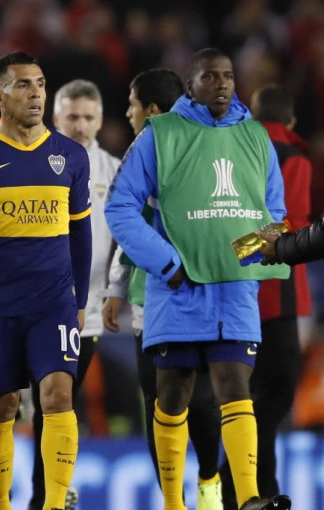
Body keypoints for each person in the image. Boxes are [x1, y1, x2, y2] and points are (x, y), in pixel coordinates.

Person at [104, 48, 292, 510]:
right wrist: (167, 263)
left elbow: (275, 214)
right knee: (173, 394)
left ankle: (248, 498)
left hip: (233, 291)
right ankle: (174, 502)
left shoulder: (255, 137)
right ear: (191, 86)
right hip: (178, 290)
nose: (222, 84)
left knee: (235, 388)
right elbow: (119, 206)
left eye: (228, 75)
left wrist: (242, 261)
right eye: (210, 76)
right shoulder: (160, 134)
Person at [0, 51, 92, 510]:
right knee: (0, 405)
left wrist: (80, 300)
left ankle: (53, 504)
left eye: (41, 83)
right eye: (24, 84)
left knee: (59, 396)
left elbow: (81, 233)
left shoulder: (71, 156)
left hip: (53, 301)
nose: (36, 94)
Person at [102, 68, 223, 510]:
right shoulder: (144, 150)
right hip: (149, 298)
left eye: (132, 104)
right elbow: (129, 223)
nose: (127, 113)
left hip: (200, 292)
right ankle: (176, 501)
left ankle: (209, 480)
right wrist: (117, 285)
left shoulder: (199, 146)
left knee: (201, 401)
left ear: (151, 110)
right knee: (158, 402)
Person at [218, 85, 312, 509]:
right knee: (273, 396)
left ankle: (257, 491)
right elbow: (289, 222)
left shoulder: (233, 149)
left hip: (232, 290)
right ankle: (232, 483)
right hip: (276, 292)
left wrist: (230, 255)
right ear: (290, 121)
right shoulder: (292, 156)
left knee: (246, 397)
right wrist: (247, 251)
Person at [27, 78, 118, 510]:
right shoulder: (32, 161)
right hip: (31, 306)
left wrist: (117, 287)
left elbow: (128, 235)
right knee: (36, 402)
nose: (80, 125)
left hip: (87, 312)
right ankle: (44, 492)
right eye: (72, 117)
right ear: (55, 117)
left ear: (99, 120)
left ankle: (48, 491)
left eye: (87, 117)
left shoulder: (115, 171)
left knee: (59, 401)